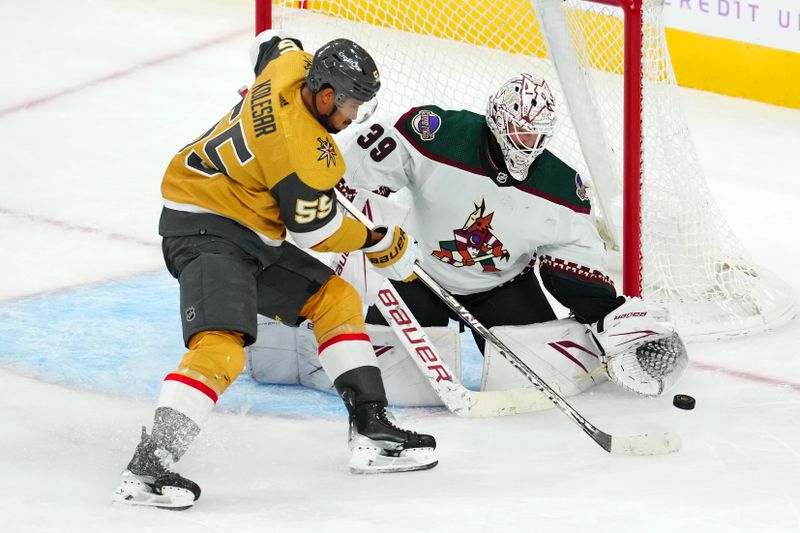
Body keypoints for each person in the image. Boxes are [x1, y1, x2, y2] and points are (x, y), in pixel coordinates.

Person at [111, 31, 437, 511]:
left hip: (247, 229)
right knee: (222, 347)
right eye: (350, 107)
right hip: (206, 229)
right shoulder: (301, 152)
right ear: (325, 94)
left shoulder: (290, 66)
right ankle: (148, 467)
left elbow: (271, 42)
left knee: (336, 299)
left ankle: (372, 431)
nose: (352, 119)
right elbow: (318, 230)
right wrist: (379, 240)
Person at [340, 72, 687, 395]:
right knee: (387, 376)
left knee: (538, 381)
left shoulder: (561, 187)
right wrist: (368, 232)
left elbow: (573, 259)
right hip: (417, 276)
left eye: (536, 136)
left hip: (501, 288)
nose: (527, 143)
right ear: (496, 120)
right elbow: (357, 173)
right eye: (520, 132)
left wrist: (603, 311)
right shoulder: (437, 133)